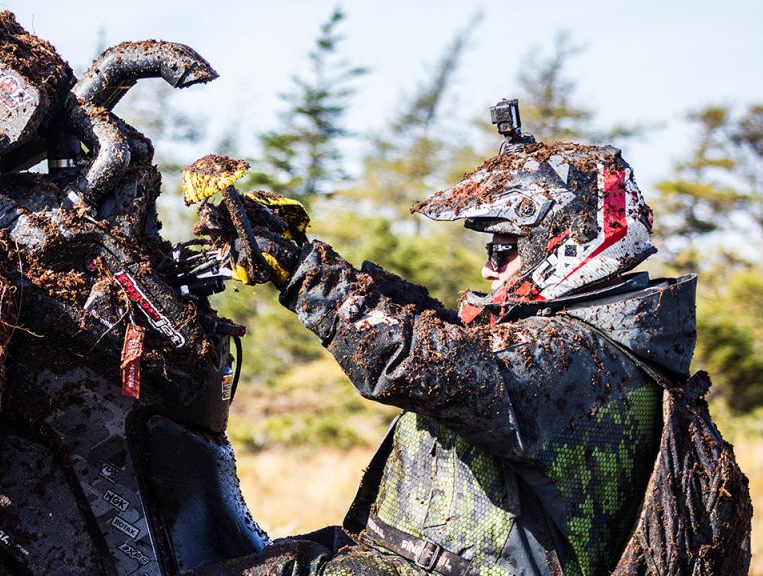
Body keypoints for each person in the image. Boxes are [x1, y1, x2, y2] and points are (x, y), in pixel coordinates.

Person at [192, 100, 697, 576]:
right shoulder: (586, 347)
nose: (486, 265)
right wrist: (306, 252)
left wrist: (303, 273)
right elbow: (448, 339)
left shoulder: (580, 359)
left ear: (567, 243)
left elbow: (421, 360)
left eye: (502, 249)